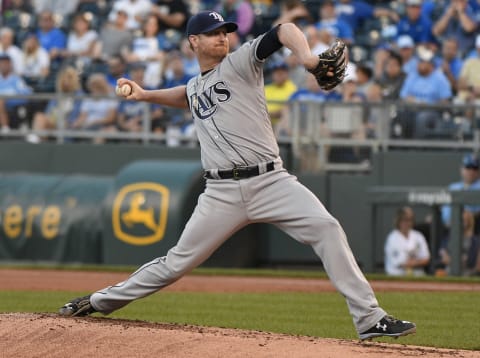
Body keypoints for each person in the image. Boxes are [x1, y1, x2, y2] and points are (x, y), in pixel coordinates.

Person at [59, 10, 416, 341]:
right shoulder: (196, 86)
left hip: (271, 181)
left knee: (327, 227)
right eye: (212, 33)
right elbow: (185, 95)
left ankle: (369, 318)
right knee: (175, 264)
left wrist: (307, 59)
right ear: (193, 42)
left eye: (225, 31)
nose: (222, 37)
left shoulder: (241, 62)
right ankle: (98, 301)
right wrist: (145, 95)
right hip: (221, 193)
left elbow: (284, 30)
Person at [27, 65, 83, 143]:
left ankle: (37, 139)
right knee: (39, 116)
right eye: (64, 77)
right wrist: (52, 119)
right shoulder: (57, 96)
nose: (66, 80)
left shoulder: (79, 96)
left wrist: (67, 123)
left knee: (41, 120)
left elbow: (75, 115)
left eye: (69, 77)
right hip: (54, 123)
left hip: (67, 125)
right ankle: (39, 141)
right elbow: (48, 112)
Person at [384, 206, 431, 276]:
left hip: (417, 277)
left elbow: (426, 259)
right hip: (396, 277)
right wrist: (414, 262)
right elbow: (398, 262)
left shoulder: (418, 236)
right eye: (405, 219)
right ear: (399, 220)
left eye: (410, 219)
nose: (408, 223)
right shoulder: (392, 238)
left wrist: (414, 262)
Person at [441, 153, 480, 231]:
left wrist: (470, 217)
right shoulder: (453, 187)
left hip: (471, 227)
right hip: (446, 227)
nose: (471, 171)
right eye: (468, 167)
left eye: (474, 168)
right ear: (462, 169)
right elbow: (444, 209)